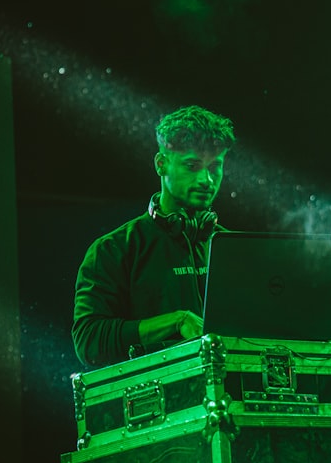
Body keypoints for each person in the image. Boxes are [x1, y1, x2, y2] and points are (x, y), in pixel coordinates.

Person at [72, 105, 236, 367]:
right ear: (161, 164)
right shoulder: (113, 250)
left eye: (215, 166)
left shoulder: (234, 249)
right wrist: (177, 320)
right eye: (192, 165)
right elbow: (89, 341)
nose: (207, 179)